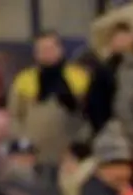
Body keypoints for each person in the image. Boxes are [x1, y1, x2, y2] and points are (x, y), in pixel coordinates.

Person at [8, 32, 90, 168]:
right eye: (42, 50)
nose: (47, 53)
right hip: (34, 156)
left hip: (70, 158)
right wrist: (24, 148)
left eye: (51, 48)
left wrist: (78, 149)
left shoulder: (80, 78)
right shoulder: (23, 80)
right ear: (36, 54)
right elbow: (14, 117)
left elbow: (89, 116)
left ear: (60, 50)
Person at [85, 20, 133, 136]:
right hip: (112, 129)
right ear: (111, 41)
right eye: (119, 39)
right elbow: (94, 103)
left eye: (126, 38)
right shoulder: (104, 70)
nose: (123, 43)